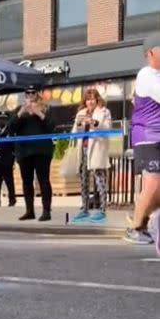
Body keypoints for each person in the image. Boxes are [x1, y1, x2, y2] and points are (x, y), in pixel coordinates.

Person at [125, 32, 160, 250]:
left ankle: (141, 214)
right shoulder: (146, 74)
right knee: (153, 181)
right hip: (147, 136)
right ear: (150, 53)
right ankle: (136, 228)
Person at [9, 87, 54, 221]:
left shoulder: (46, 108)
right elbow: (11, 128)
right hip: (24, 151)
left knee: (43, 180)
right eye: (27, 93)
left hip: (42, 150)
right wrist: (22, 112)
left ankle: (46, 210)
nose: (30, 95)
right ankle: (29, 210)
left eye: (32, 93)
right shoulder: (19, 110)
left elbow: (52, 126)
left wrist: (39, 113)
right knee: (26, 182)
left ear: (38, 94)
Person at [71, 88, 112, 223]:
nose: (90, 102)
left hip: (97, 149)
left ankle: (102, 209)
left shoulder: (104, 112)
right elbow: (74, 132)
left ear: (97, 99)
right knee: (83, 180)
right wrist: (78, 124)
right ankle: (84, 209)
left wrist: (94, 122)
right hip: (83, 149)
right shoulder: (81, 113)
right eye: (88, 99)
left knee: (100, 179)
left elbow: (107, 129)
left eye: (92, 99)